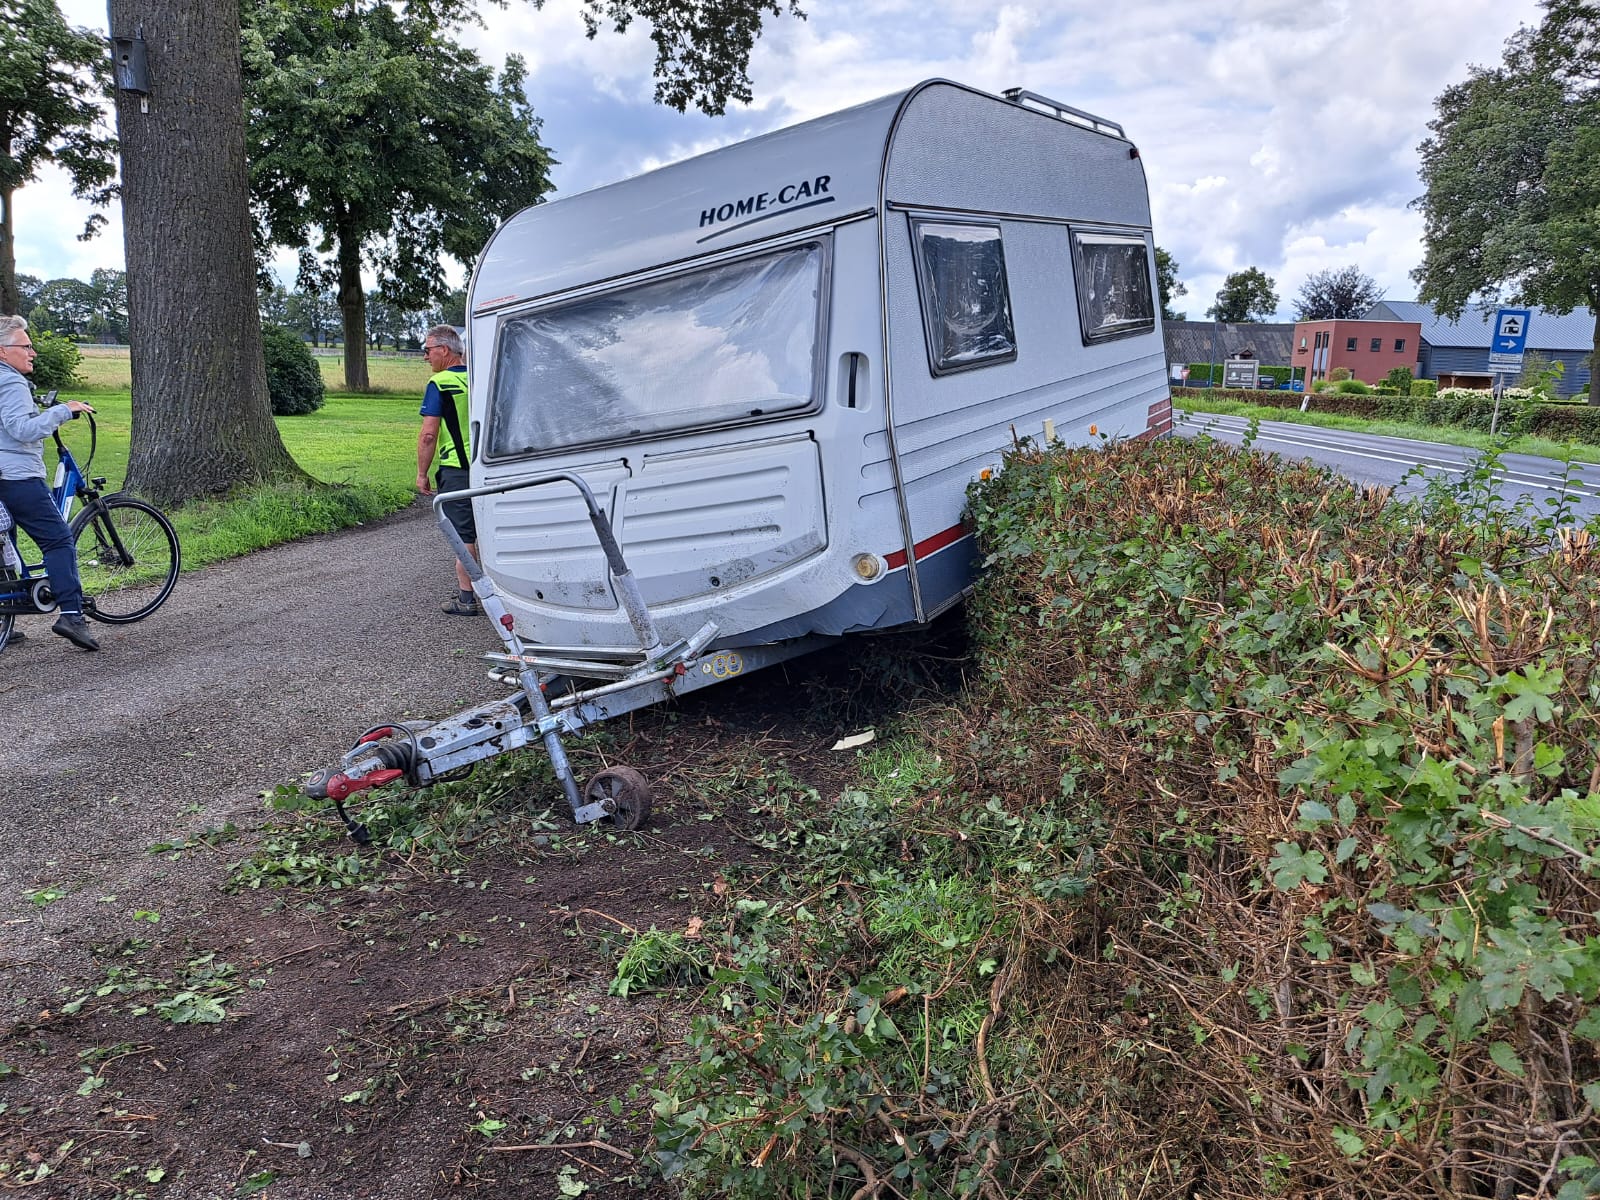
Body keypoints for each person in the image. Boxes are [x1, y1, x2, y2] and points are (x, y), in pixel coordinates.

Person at [0, 315, 99, 651]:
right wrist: (62, 411)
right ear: (2, 351)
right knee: (58, 541)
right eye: (25, 346)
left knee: (5, 550)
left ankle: (5, 618)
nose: (32, 352)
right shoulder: (10, 382)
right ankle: (72, 615)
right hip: (15, 477)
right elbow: (22, 430)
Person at [415, 324, 478, 614]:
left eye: (427, 351)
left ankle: (468, 598)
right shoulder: (481, 379)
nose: (425, 357)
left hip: (457, 469)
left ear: (444, 350)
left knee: (464, 536)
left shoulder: (440, 384)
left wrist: (422, 473)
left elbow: (429, 434)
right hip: (488, 466)